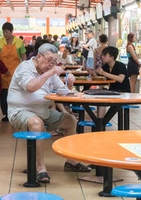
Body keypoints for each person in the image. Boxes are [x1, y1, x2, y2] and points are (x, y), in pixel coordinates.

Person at [7, 43, 91, 184]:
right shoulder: (24, 68)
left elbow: (62, 91)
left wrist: (69, 85)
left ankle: (71, 162)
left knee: (70, 120)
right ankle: (40, 168)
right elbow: (31, 87)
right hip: (20, 111)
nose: (51, 64)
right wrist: (50, 73)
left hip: (43, 111)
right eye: (49, 60)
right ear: (39, 56)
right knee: (36, 123)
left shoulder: (49, 70)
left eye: (54, 61)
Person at [0, 22, 27, 122]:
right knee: (3, 94)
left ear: (12, 32)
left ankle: (15, 113)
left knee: (15, 94)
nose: (5, 34)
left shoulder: (19, 42)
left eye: (7, 32)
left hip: (15, 72)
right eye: (4, 32)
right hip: (3, 73)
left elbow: (24, 57)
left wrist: (24, 68)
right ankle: (5, 114)